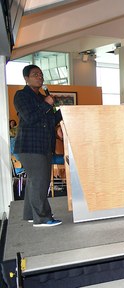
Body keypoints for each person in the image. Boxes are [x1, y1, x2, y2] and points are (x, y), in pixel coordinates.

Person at [13, 65, 63, 227]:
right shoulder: (21, 95)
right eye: (35, 74)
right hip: (30, 146)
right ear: (26, 78)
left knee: (35, 181)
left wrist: (61, 112)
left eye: (41, 74)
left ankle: (30, 214)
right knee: (40, 181)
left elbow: (49, 122)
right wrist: (47, 104)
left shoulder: (42, 98)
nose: (39, 77)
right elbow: (30, 117)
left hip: (43, 146)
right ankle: (42, 218)